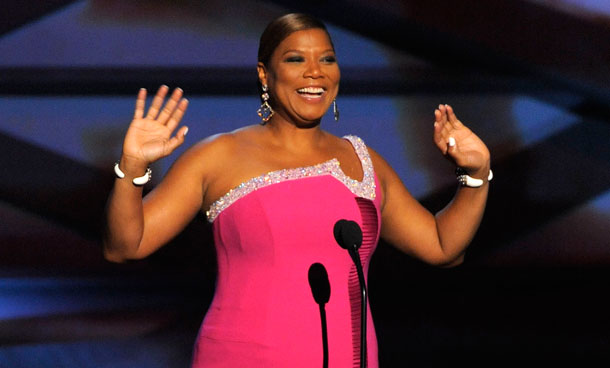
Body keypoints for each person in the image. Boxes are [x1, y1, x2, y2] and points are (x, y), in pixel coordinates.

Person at [103, 13, 491, 368]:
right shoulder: (218, 156)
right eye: (295, 60)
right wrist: (132, 169)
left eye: (327, 59)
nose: (315, 73)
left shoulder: (361, 160)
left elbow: (442, 246)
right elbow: (126, 245)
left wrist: (476, 176)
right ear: (264, 74)